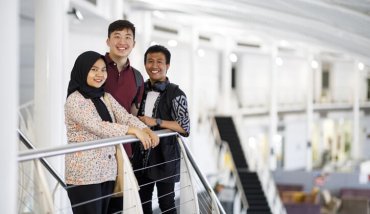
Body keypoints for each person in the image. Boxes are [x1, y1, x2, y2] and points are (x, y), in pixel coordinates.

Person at [64, 51, 159, 214]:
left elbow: (125, 116)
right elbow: (99, 126)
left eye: (103, 70)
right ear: (82, 70)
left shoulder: (104, 96)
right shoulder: (75, 100)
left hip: (107, 171)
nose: (100, 74)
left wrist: (145, 129)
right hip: (84, 175)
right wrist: (132, 131)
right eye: (94, 69)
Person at [132, 45, 190, 214]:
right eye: (150, 61)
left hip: (165, 155)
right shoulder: (140, 89)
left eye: (159, 62)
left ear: (168, 66)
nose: (154, 65)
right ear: (145, 65)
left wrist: (155, 121)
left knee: (166, 203)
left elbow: (185, 127)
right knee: (142, 202)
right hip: (142, 154)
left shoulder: (176, 93)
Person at [104, 19, 145, 213]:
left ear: (134, 44)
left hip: (124, 152)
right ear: (108, 41)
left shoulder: (137, 77)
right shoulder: (95, 68)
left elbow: (133, 115)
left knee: (118, 207)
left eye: (128, 37)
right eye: (117, 36)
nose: (122, 42)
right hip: (97, 151)